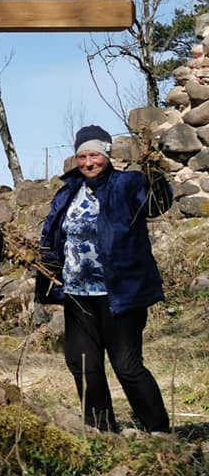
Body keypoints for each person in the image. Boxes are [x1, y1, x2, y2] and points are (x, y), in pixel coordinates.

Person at [37, 124, 172, 433]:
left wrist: (155, 173)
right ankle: (102, 430)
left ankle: (158, 430)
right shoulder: (69, 190)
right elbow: (53, 235)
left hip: (119, 292)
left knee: (126, 365)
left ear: (107, 154)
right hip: (77, 293)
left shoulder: (128, 184)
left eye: (94, 155)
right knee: (83, 363)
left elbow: (157, 204)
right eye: (82, 156)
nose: (88, 163)